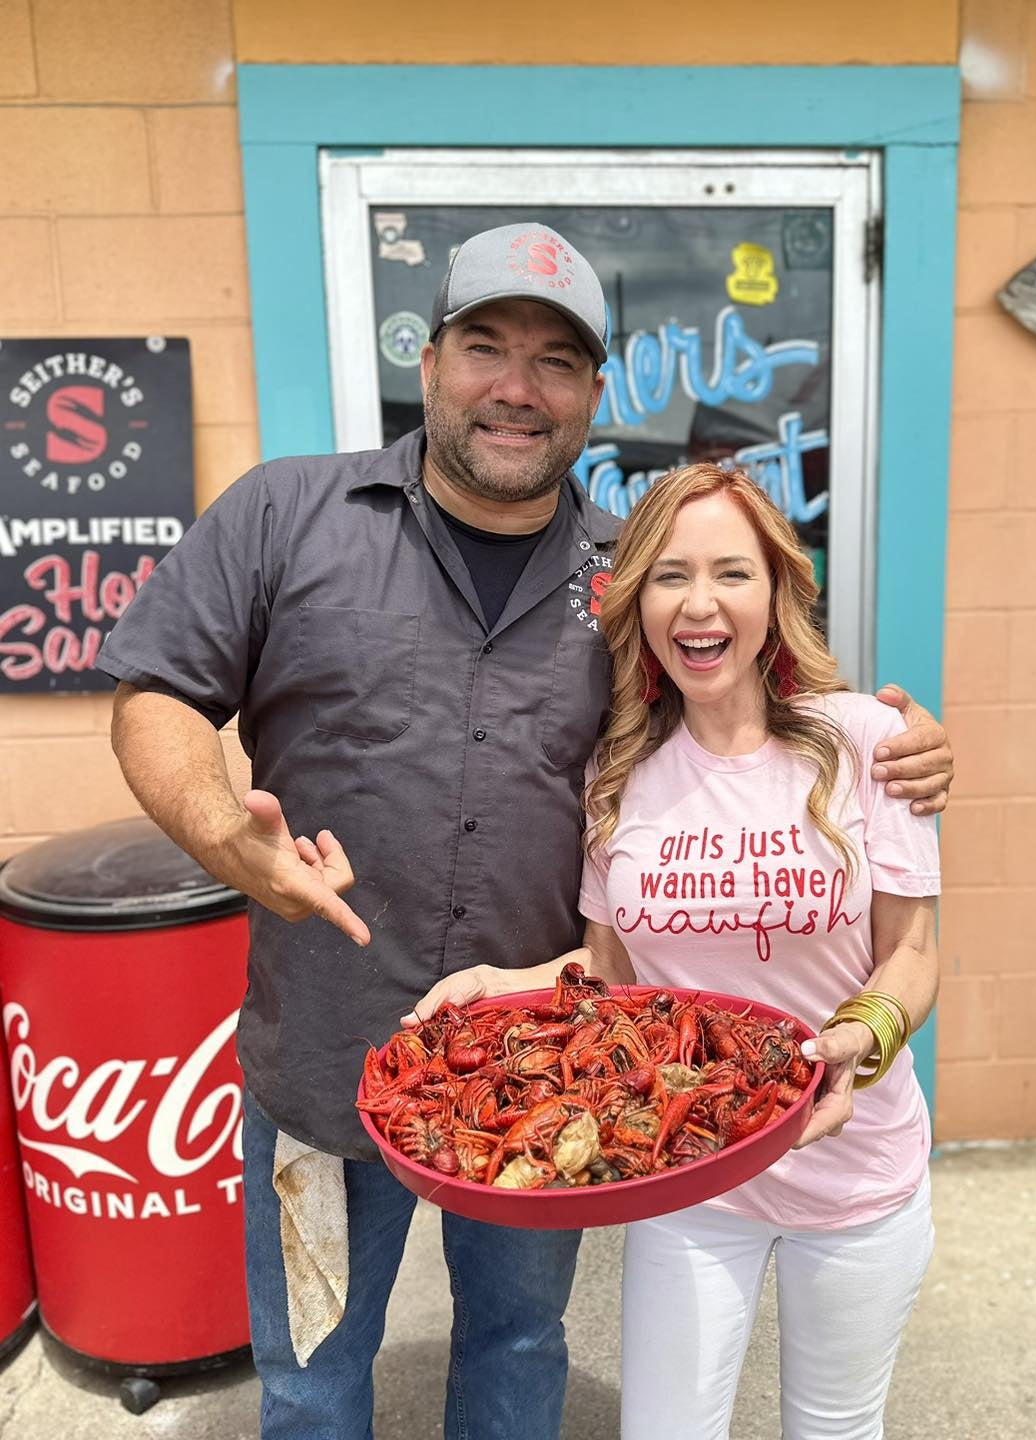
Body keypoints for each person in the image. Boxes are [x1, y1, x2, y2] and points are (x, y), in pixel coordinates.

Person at [98, 222, 952, 1440]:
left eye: (556, 361)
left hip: (542, 1072)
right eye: (486, 346)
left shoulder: (629, 581)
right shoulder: (288, 514)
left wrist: (897, 743)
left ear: (594, 394)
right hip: (327, 1051)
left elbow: (752, 724)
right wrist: (218, 829)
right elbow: (159, 696)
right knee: (309, 1375)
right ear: (432, 359)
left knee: (516, 1344)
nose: (517, 385)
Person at [409, 462, 940, 1440]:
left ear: (778, 593)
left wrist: (859, 1039)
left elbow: (912, 958)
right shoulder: (622, 777)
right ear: (636, 603)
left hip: (858, 1170)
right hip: (695, 1178)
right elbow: (613, 980)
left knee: (834, 1429)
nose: (701, 603)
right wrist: (500, 983)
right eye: (669, 574)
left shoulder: (868, 742)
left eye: (732, 572)